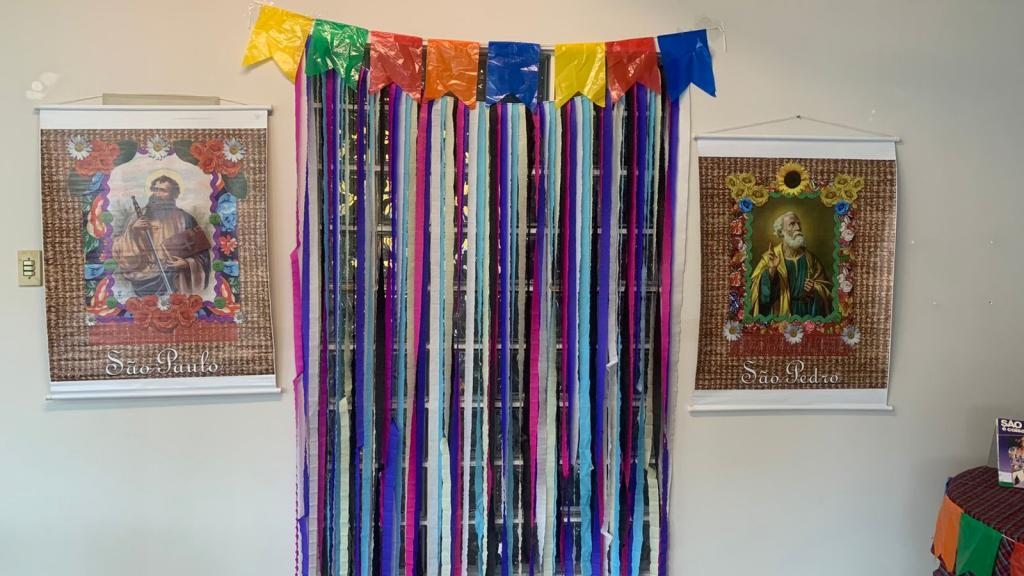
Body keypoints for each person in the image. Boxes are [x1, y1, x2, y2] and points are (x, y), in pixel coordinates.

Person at [112, 175, 211, 297]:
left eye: (163, 190)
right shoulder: (136, 218)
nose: (157, 194)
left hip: (175, 278)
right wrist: (132, 231)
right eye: (155, 189)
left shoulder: (185, 219)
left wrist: (186, 263)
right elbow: (119, 251)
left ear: (174, 194)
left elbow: (203, 255)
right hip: (143, 279)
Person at [749, 211, 833, 318]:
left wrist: (814, 290)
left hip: (806, 313)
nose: (798, 228)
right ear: (781, 231)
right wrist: (771, 271)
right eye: (792, 224)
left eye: (799, 223)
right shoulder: (769, 258)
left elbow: (827, 289)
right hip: (782, 314)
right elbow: (756, 295)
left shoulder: (810, 259)